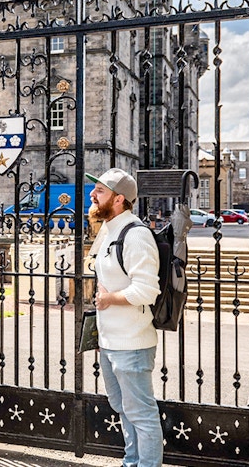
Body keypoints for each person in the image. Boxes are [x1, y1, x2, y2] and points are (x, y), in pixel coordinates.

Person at [86, 168, 163, 467]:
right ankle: (132, 462)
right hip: (110, 342)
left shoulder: (136, 235)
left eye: (100, 191)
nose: (93, 195)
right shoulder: (109, 231)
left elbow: (146, 290)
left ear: (119, 199)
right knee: (122, 408)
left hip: (132, 343)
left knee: (141, 413)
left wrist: (107, 299)